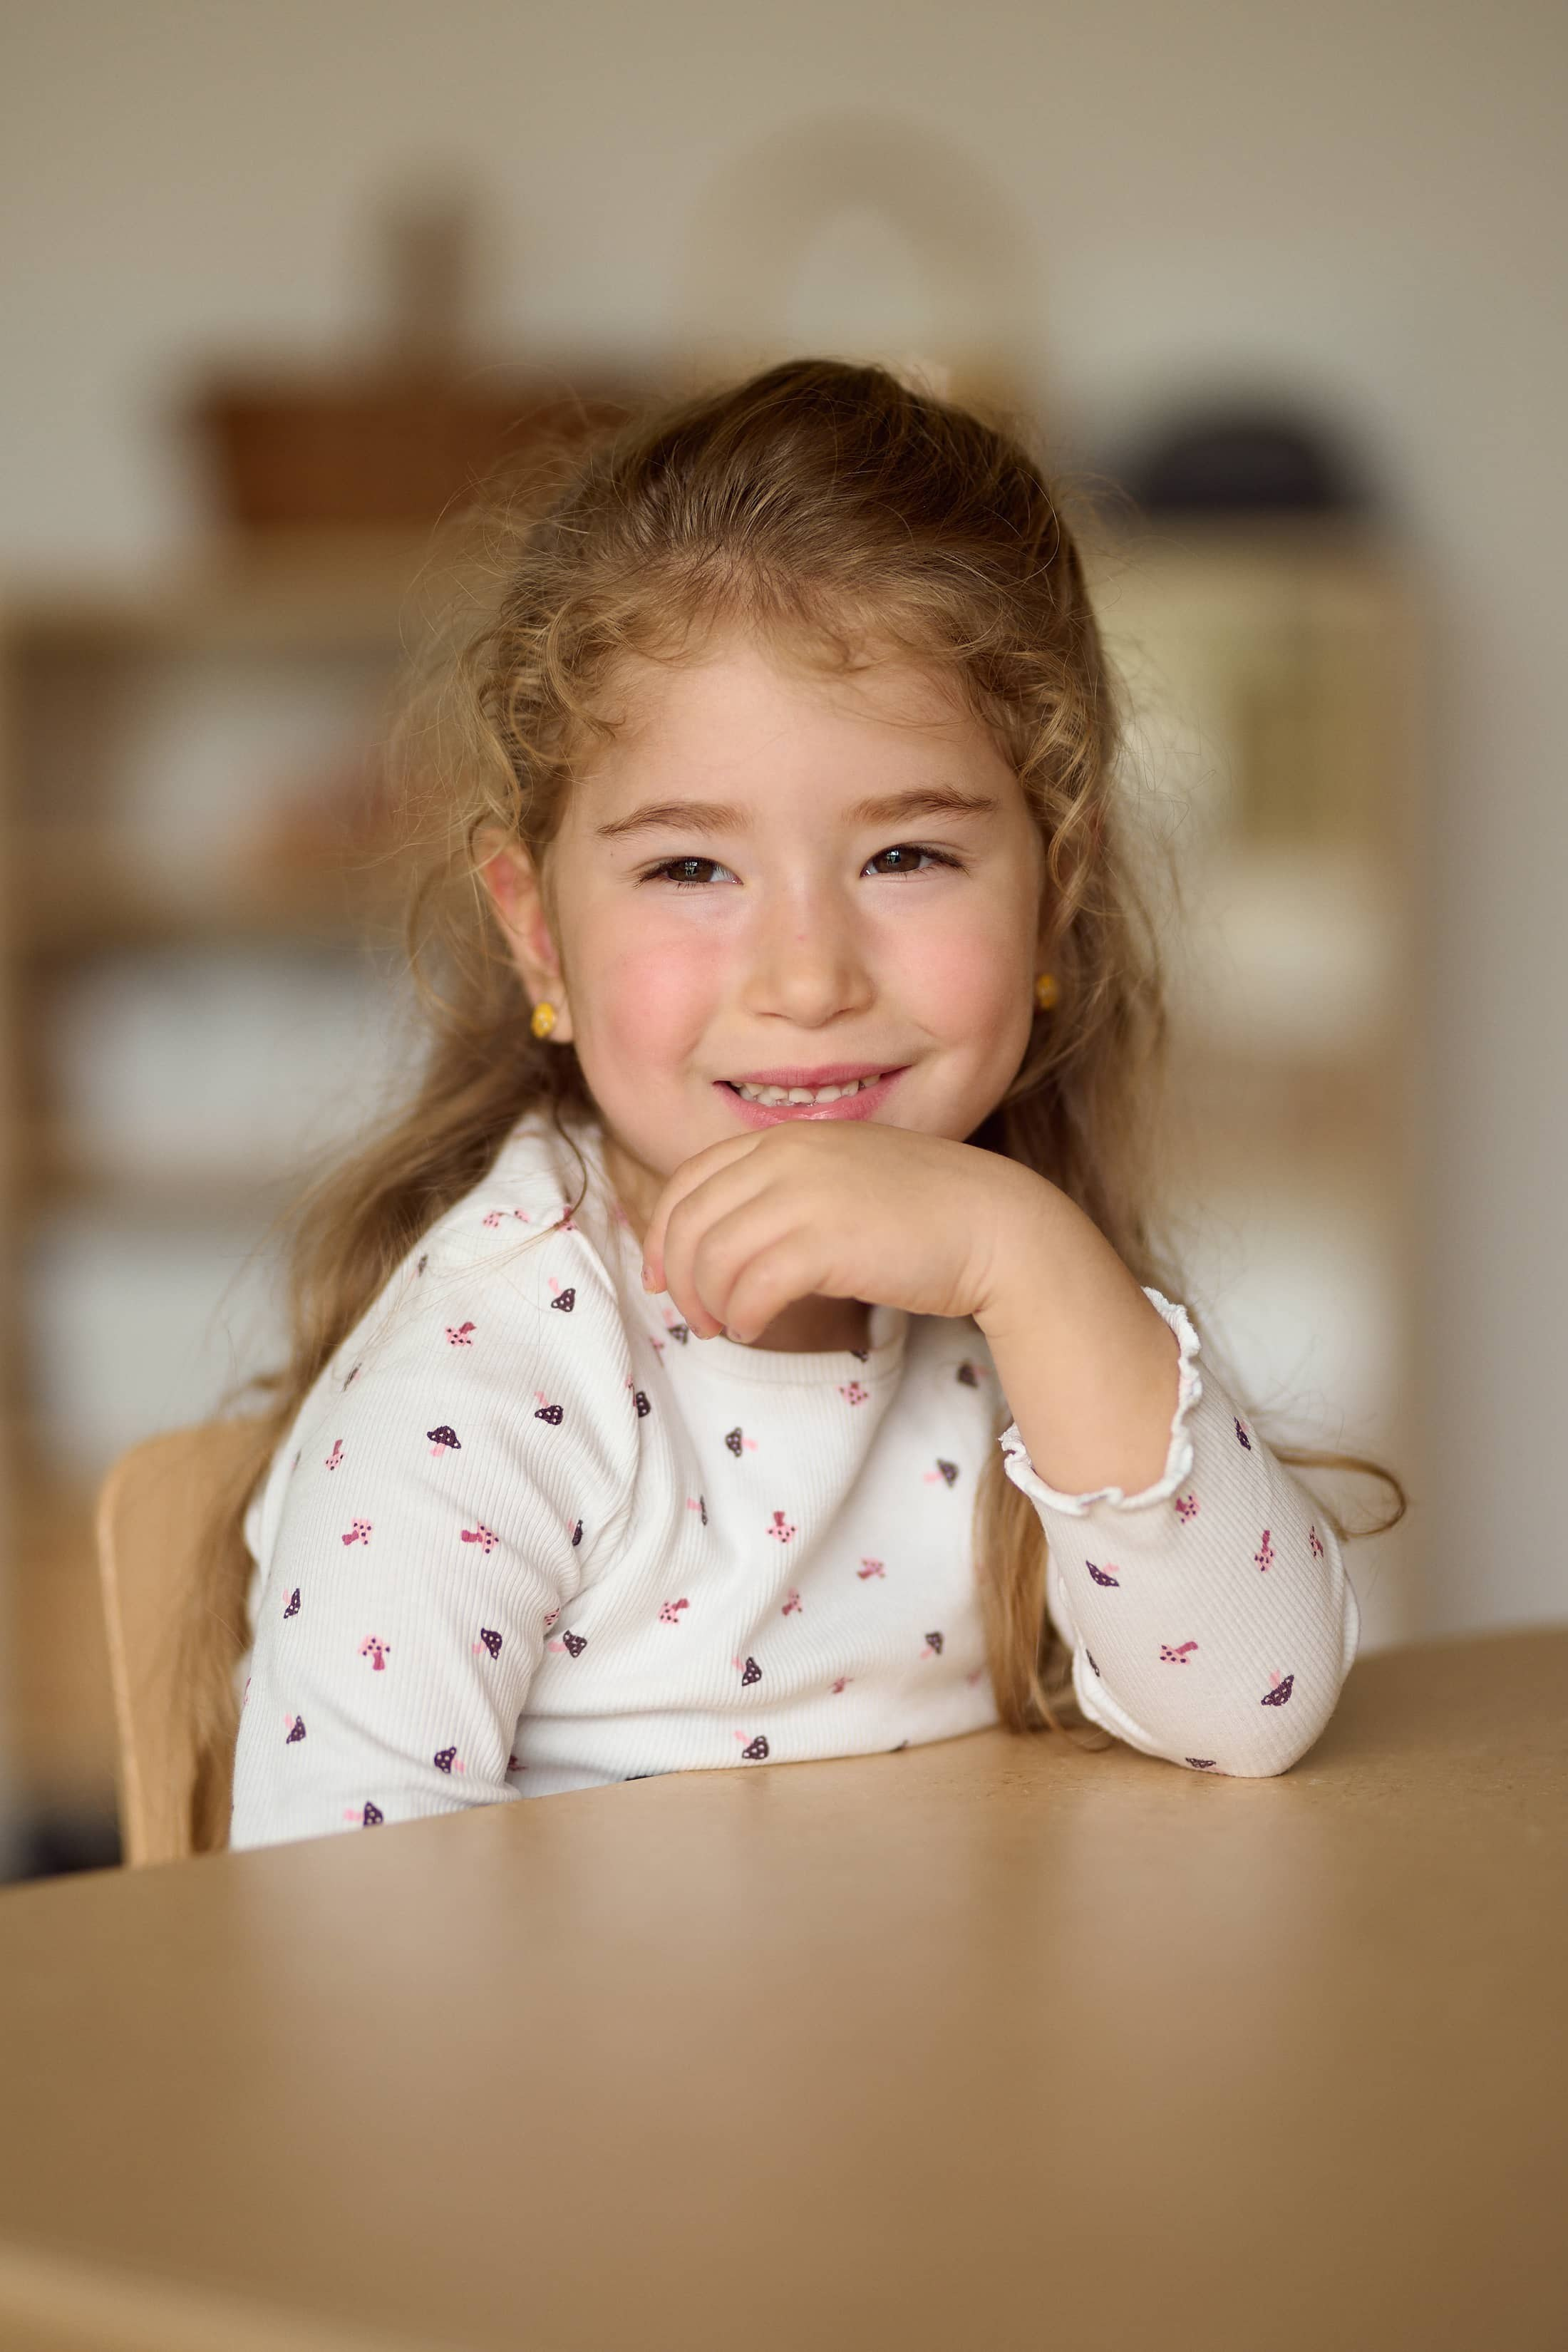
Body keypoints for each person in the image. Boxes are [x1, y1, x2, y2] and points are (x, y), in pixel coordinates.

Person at [208, 359, 1404, 1852]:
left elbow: (1252, 1707)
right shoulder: (482, 1387)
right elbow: (339, 1940)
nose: (805, 975)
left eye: (904, 856)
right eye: (688, 869)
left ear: (1054, 897)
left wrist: (1024, 1258)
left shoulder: (1013, 1289)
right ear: (536, 933)